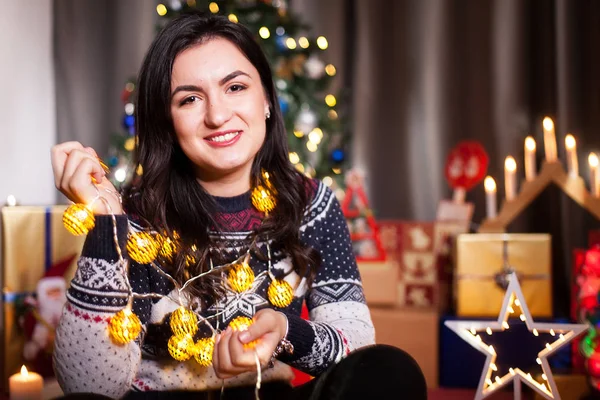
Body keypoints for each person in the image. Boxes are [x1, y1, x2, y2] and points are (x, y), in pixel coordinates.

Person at [51, 10, 426, 400]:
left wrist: (284, 331)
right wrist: (106, 224)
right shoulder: (135, 218)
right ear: (167, 120)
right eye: (190, 99)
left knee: (390, 372)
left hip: (266, 394)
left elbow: (357, 351)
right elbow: (89, 386)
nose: (217, 115)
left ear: (266, 99)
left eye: (235, 87)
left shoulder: (310, 204)